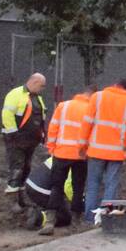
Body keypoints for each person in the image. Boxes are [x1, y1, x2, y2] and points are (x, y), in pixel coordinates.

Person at [81, 79, 126, 223]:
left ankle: (90, 219)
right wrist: (125, 142)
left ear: (114, 85)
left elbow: (87, 122)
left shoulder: (97, 97)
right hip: (116, 153)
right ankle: (106, 218)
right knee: (111, 185)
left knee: (93, 184)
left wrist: (83, 145)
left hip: (95, 151)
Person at [38, 86, 96, 235]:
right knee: (78, 188)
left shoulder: (63, 106)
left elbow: (53, 128)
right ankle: (76, 222)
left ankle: (50, 222)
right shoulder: (91, 109)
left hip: (61, 153)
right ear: (92, 95)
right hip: (81, 155)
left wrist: (51, 147)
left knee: (56, 187)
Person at [1, 73, 48, 212]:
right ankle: (13, 200)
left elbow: (40, 119)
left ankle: (21, 199)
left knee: (26, 168)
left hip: (30, 141)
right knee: (17, 167)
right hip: (16, 140)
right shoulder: (15, 94)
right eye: (41, 85)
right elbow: (7, 114)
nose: (42, 89)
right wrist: (13, 134)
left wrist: (42, 134)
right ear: (34, 82)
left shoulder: (37, 98)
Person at [22, 157, 80, 232]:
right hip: (42, 190)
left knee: (59, 201)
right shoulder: (74, 163)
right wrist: (76, 202)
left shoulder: (60, 153)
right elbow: (68, 187)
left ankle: (38, 209)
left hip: (31, 184)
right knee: (65, 217)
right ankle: (40, 217)